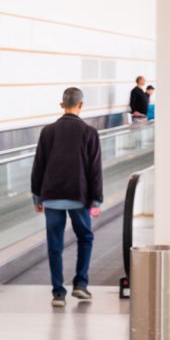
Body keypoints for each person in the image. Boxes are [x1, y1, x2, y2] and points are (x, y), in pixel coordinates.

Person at [31, 87, 103, 307]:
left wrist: (37, 196)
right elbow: (95, 169)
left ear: (62, 105)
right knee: (85, 238)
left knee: (55, 243)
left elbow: (38, 165)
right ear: (81, 105)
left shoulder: (47, 131)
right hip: (78, 195)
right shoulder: (90, 132)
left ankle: (58, 294)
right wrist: (96, 199)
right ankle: (80, 284)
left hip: (52, 195)